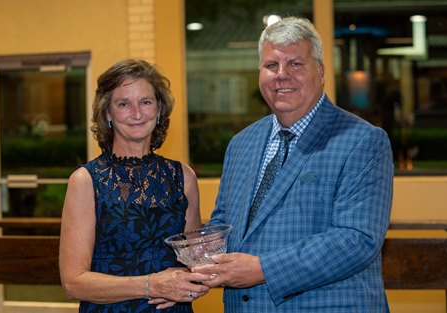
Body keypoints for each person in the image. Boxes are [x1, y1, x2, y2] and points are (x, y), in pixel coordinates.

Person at [192, 16, 394, 312]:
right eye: (271, 65)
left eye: (295, 64)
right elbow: (225, 224)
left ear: (321, 71)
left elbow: (357, 240)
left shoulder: (363, 140)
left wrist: (262, 269)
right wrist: (194, 250)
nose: (281, 75)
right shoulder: (241, 144)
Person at [59, 59, 211, 312]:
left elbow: (193, 263)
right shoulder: (86, 181)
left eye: (146, 102)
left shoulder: (182, 176)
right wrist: (152, 285)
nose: (137, 114)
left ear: (159, 109)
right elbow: (73, 283)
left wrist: (199, 277)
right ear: (107, 113)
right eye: (123, 104)